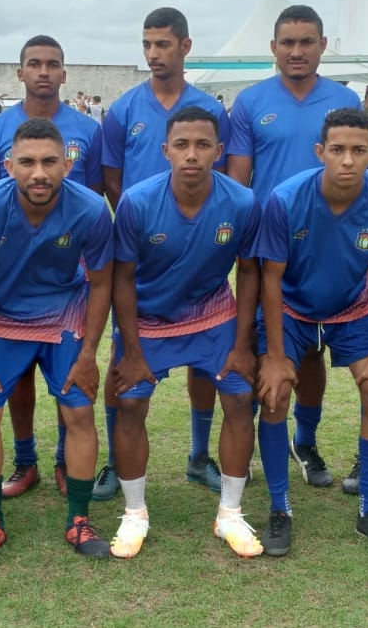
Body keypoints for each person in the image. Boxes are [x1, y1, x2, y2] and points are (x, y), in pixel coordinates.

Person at [0, 118, 115, 566]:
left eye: (50, 162)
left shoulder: (91, 209)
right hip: (1, 316)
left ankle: (79, 518)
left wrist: (89, 354)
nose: (39, 173)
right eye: (27, 162)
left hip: (63, 314)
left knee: (79, 410)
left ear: (68, 164)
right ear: (9, 167)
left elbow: (102, 282)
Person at [108, 106, 262, 559]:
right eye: (181, 145)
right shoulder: (137, 202)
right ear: (166, 150)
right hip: (149, 318)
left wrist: (243, 344)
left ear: (219, 150)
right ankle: (134, 514)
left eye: (202, 145)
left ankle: (229, 513)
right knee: (129, 403)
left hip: (212, 313)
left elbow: (248, 272)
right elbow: (121, 278)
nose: (191, 154)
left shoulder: (242, 202)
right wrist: (130, 350)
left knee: (240, 399)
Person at [226, 5, 362, 491]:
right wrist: (241, 240)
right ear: (273, 48)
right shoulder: (250, 101)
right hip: (270, 245)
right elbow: (238, 179)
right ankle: (257, 445)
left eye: (307, 41)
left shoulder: (345, 99)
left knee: (313, 352)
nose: (297, 51)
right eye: (288, 42)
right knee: (267, 346)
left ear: (323, 46)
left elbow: (360, 173)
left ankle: (306, 441)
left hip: (329, 243)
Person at [255, 109, 368, 557]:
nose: (347, 160)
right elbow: (269, 278)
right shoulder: (285, 199)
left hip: (350, 308)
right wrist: (275, 356)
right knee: (275, 393)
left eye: (359, 151)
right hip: (292, 308)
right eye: (337, 150)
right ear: (320, 152)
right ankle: (279, 508)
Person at [98, 7, 228, 500]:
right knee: (122, 360)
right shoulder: (124, 109)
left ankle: (198, 456)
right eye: (147, 44)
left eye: (163, 44)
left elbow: (220, 179)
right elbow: (112, 178)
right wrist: (148, 224)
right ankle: (116, 462)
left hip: (200, 254)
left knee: (205, 362)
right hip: (142, 255)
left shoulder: (210, 109)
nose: (154, 53)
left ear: (185, 47)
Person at [0, 34, 103, 499]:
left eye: (52, 64)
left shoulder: (87, 129)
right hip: (9, 281)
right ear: (20, 71)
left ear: (64, 72)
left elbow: (93, 196)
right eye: (34, 63)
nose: (43, 71)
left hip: (64, 277)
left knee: (70, 386)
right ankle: (25, 460)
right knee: (18, 376)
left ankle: (67, 462)